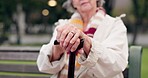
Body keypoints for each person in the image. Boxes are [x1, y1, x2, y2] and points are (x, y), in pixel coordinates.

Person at [37, 0, 128, 78]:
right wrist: (58, 48)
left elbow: (116, 64)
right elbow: (45, 67)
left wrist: (86, 42)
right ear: (72, 3)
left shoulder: (115, 25)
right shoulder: (63, 25)